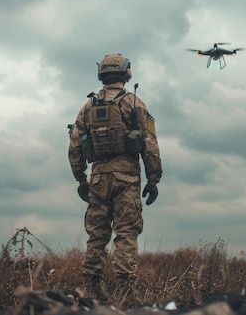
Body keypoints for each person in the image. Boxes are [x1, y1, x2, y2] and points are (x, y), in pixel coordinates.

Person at [68, 54, 163, 306]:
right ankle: (125, 293)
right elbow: (150, 144)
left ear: (102, 74)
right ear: (126, 73)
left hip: (98, 178)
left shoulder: (88, 106)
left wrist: (81, 179)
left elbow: (75, 145)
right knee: (126, 234)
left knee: (97, 235)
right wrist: (154, 178)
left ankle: (91, 291)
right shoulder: (134, 103)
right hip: (127, 178)